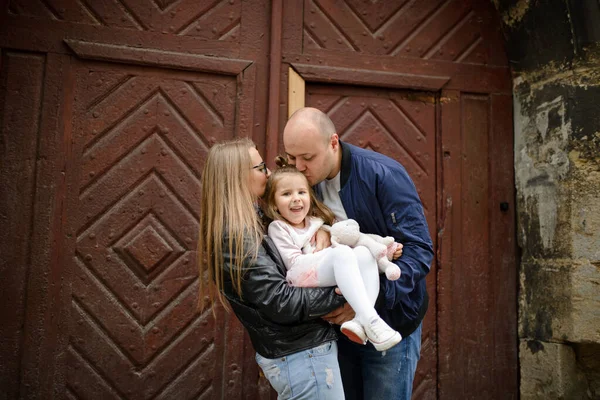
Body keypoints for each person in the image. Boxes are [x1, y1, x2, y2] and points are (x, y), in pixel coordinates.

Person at [283, 107, 434, 400]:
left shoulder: (384, 174)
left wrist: (366, 302)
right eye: (292, 158)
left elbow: (419, 250)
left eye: (307, 158)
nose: (298, 167)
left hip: (391, 320)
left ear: (333, 142)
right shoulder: (302, 184)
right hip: (334, 330)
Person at [197, 137, 347, 399]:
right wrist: (344, 292)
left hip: (301, 352)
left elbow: (298, 232)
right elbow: (281, 301)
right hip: (303, 355)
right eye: (260, 167)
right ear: (237, 176)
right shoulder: (236, 236)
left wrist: (322, 230)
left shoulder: (252, 221)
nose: (268, 173)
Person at [263, 162, 403, 351]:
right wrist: (328, 252)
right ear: (274, 204)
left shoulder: (316, 222)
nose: (296, 199)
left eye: (301, 193)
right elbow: (293, 263)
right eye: (287, 194)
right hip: (301, 275)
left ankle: (360, 322)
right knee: (342, 252)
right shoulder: (279, 227)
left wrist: (384, 247)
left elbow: (352, 236)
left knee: (362, 251)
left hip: (327, 268)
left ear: (310, 197)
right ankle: (372, 320)